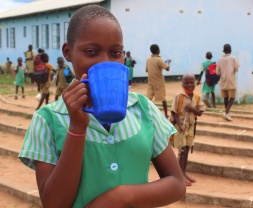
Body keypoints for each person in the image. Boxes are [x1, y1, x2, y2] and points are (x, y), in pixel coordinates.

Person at [19, 5, 185, 208]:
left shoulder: (143, 109)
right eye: (91, 52)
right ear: (68, 52)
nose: (105, 62)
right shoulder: (47, 120)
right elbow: (54, 204)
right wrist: (77, 128)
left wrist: (120, 197)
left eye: (116, 52)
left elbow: (177, 184)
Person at [171, 73, 206, 186]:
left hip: (191, 128)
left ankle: (184, 173)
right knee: (181, 152)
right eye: (186, 82)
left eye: (192, 82)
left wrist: (192, 109)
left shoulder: (196, 97)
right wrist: (180, 124)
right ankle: (179, 176)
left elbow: (200, 112)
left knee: (186, 152)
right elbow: (173, 112)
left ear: (195, 83)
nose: (189, 84)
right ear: (182, 83)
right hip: (181, 128)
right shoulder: (179, 96)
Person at [146, 44, 171, 118]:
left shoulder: (148, 59)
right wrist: (168, 62)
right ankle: (166, 114)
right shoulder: (159, 59)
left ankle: (147, 113)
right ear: (158, 51)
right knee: (163, 99)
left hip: (151, 82)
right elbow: (167, 68)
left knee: (148, 99)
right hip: (159, 81)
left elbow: (146, 70)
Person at [216, 44, 240, 121]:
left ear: (223, 51)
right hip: (231, 80)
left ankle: (227, 113)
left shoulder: (220, 59)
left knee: (225, 97)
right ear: (231, 50)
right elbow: (237, 68)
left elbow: (217, 72)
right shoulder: (233, 58)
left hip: (223, 80)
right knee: (232, 97)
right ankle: (226, 112)